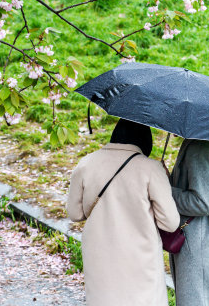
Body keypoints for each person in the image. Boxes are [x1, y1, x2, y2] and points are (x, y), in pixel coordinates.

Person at [66, 119, 180, 306]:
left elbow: (74, 213)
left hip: (99, 255)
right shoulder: (151, 169)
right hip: (140, 260)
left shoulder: (85, 164)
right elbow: (170, 223)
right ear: (145, 141)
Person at [168, 139, 209, 306]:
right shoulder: (203, 141)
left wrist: (165, 191)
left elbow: (202, 202)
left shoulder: (200, 147)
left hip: (200, 247)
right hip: (204, 242)